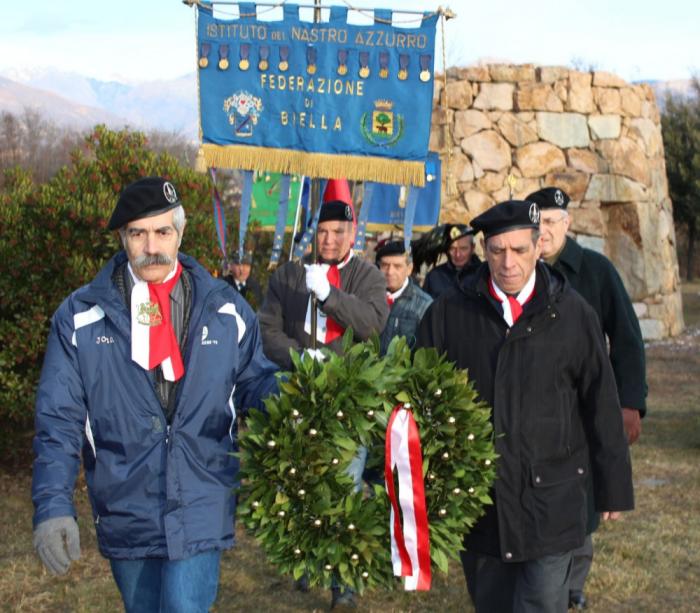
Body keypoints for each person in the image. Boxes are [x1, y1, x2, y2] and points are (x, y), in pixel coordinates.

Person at [31, 177, 278, 613]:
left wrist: (296, 403)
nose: (152, 246)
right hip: (125, 502)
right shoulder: (80, 317)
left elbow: (254, 384)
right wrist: (52, 504)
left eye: (163, 231)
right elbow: (59, 419)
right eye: (138, 233)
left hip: (203, 495)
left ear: (180, 234)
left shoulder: (226, 310)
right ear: (122, 238)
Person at [416, 199, 634, 613]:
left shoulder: (573, 314)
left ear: (538, 248)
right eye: (497, 250)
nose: (508, 262)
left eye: (519, 250)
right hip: (481, 505)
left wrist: (614, 487)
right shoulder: (448, 313)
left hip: (551, 502)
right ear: (484, 250)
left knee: (542, 605)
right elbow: (419, 394)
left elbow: (600, 401)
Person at [258, 180, 388, 609]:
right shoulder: (289, 274)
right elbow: (268, 330)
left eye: (339, 232)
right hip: (299, 392)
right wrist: (300, 358)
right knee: (300, 482)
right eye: (323, 232)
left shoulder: (367, 275)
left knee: (344, 486)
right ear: (314, 232)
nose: (330, 240)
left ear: (353, 235)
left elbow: (371, 323)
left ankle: (343, 582)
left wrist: (330, 295)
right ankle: (306, 560)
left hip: (346, 400)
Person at [527, 186, 647, 610]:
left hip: (588, 405)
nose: (543, 233)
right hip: (538, 409)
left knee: (584, 497)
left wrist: (630, 403)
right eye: (536, 224)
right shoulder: (521, 274)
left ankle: (573, 584)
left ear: (567, 224)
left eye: (552, 223)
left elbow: (629, 340)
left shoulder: (596, 271)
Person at [375, 239, 432, 355]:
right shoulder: (367, 295)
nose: (390, 272)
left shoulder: (424, 305)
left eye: (397, 266)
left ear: (409, 269)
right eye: (385, 265)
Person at [421, 224, 480, 298]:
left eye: (463, 248)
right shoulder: (434, 276)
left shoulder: (483, 276)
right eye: (452, 249)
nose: (458, 254)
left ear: (472, 248)